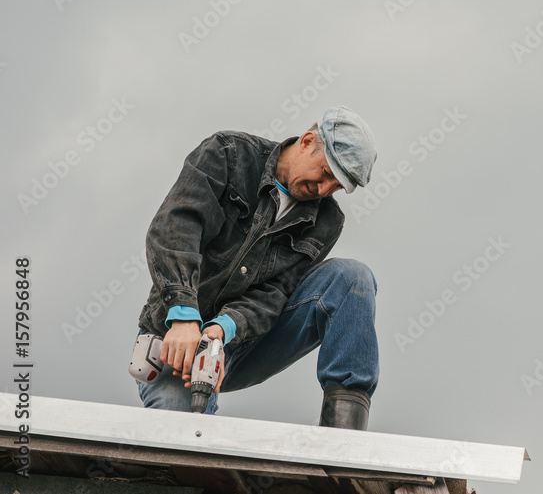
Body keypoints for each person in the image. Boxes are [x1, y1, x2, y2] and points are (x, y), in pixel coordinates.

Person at [132, 105, 379, 430]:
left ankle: (345, 437)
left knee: (353, 278)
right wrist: (183, 315)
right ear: (306, 141)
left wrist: (224, 328)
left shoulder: (327, 221)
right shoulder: (227, 154)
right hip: (176, 342)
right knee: (183, 437)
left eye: (337, 186)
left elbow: (276, 291)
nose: (324, 190)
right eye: (326, 173)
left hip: (249, 341)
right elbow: (174, 230)